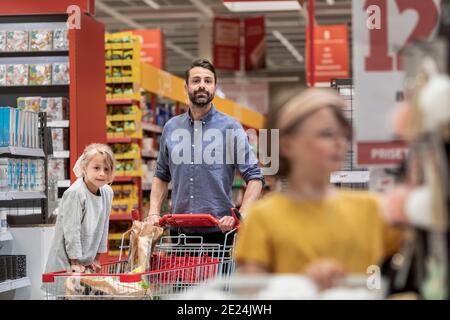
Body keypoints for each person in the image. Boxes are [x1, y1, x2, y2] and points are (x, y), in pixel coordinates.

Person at [234, 88, 404, 290]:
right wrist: (298, 287)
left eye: (344, 134)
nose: (340, 142)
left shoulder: (374, 209)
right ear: (287, 145)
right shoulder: (263, 218)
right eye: (326, 134)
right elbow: (252, 297)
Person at [146, 59, 264, 245]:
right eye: (196, 80)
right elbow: (161, 175)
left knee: (218, 276)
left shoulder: (230, 127)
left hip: (219, 232)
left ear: (215, 87)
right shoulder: (171, 127)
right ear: (186, 87)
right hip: (180, 232)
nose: (202, 85)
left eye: (208, 81)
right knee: (179, 275)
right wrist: (153, 212)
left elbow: (255, 177)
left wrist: (241, 215)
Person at [44, 143, 115, 275]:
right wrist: (75, 261)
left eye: (107, 169)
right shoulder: (76, 193)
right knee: (68, 293)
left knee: (85, 293)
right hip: (67, 260)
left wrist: (97, 257)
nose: (102, 173)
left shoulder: (107, 192)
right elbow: (72, 230)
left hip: (87, 260)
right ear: (84, 167)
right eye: (96, 168)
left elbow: (104, 227)